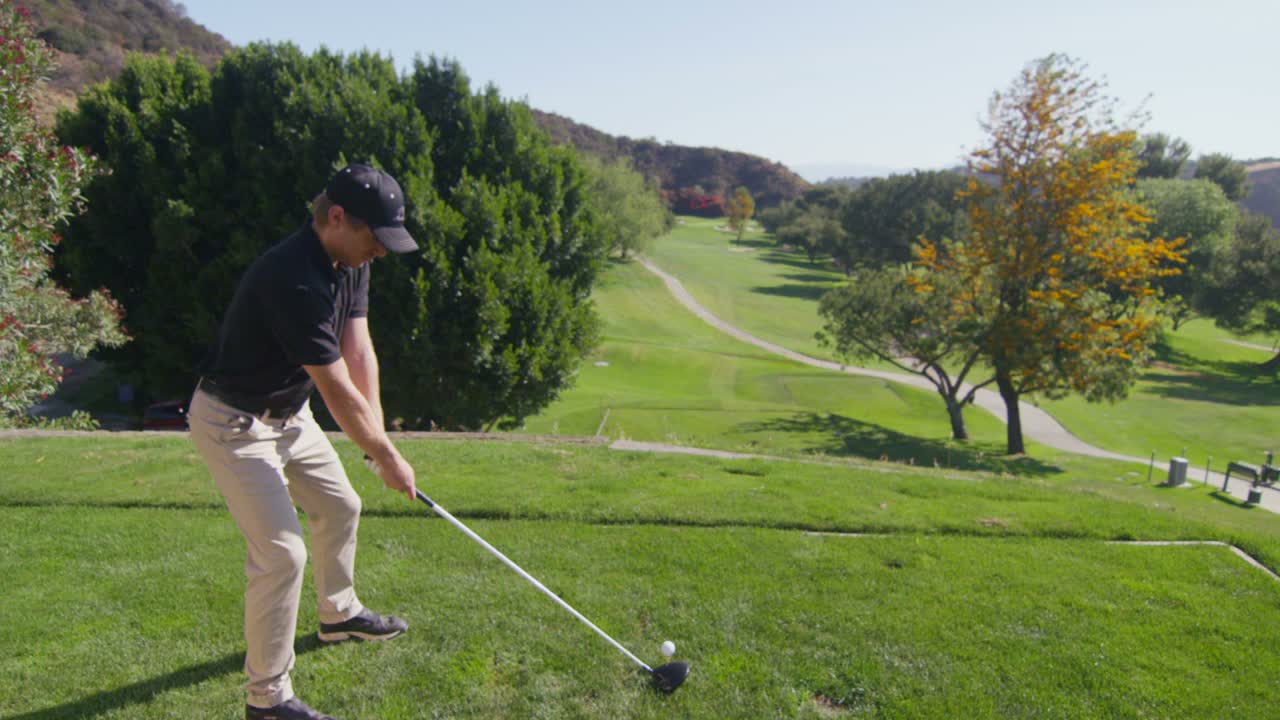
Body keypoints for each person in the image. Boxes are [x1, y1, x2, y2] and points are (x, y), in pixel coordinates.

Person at [189, 163, 420, 720]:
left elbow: (358, 350)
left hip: (291, 416)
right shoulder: (292, 277)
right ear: (336, 218)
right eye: (376, 240)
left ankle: (338, 615)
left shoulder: (351, 258)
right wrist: (386, 457)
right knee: (282, 553)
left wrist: (378, 442)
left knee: (341, 505)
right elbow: (336, 385)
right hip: (233, 424)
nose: (382, 253)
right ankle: (267, 701)